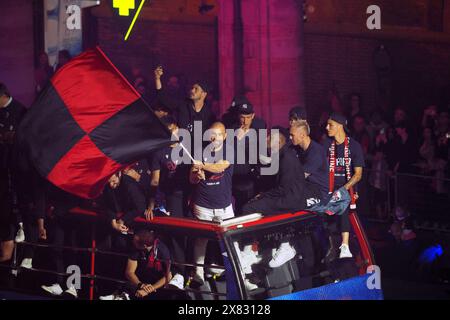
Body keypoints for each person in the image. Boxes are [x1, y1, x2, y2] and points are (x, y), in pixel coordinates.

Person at [189, 122, 234, 285]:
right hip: (203, 206)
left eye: (219, 134)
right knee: (201, 240)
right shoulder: (199, 152)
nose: (215, 138)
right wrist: (196, 174)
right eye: (212, 134)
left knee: (229, 240)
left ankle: (236, 273)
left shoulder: (229, 150)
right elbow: (191, 180)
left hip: (224, 206)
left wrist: (203, 165)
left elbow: (219, 168)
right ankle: (199, 272)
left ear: (225, 136)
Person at [324, 113, 365, 259]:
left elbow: (358, 174)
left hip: (347, 188)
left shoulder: (354, 146)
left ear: (340, 126)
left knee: (342, 203)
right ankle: (333, 246)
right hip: (328, 187)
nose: (326, 127)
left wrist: (342, 190)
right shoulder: (327, 145)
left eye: (330, 125)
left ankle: (345, 246)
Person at [241, 128, 307, 216]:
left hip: (289, 201)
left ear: (278, 143)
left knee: (248, 208)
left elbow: (283, 189)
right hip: (286, 196)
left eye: (270, 138)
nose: (266, 139)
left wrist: (263, 195)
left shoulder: (287, 159)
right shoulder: (282, 154)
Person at [0, 83, 27, 264]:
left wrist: (13, 137)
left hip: (15, 169)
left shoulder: (21, 111)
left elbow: (26, 138)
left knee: (10, 205)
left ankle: (20, 226)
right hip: (1, 167)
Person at [228, 96, 267, 215]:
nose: (245, 121)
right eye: (242, 117)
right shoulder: (232, 130)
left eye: (248, 117)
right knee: (239, 209)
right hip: (236, 178)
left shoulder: (259, 129)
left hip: (253, 178)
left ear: (253, 116)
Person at [154, 66, 216, 136]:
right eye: (192, 88)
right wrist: (157, 78)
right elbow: (163, 98)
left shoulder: (209, 115)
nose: (192, 90)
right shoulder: (183, 105)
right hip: (180, 144)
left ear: (204, 94)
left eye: (196, 89)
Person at [125, 229, 173, 300]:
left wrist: (150, 289)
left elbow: (168, 276)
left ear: (144, 246)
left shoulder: (162, 251)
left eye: (135, 241)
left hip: (157, 283)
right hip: (141, 280)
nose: (132, 242)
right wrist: (141, 285)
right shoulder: (135, 248)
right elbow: (129, 272)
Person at [289, 120, 329, 202]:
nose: (290, 137)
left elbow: (300, 177)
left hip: (320, 192)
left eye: (292, 135)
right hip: (308, 187)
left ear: (302, 135)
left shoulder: (316, 152)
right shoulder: (297, 149)